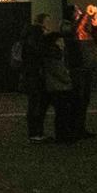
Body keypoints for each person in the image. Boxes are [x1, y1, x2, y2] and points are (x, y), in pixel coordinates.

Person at [61, 2, 97, 140]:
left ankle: (80, 128)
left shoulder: (83, 27)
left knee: (84, 99)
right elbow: (74, 31)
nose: (79, 14)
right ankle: (73, 128)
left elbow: (96, 40)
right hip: (77, 67)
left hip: (87, 66)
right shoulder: (66, 26)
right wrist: (86, 14)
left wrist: (95, 22)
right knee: (77, 99)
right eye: (77, 12)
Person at [17, 13, 51, 142]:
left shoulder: (29, 34)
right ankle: (35, 133)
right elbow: (37, 52)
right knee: (36, 103)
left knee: (34, 103)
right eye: (47, 21)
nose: (48, 24)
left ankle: (35, 132)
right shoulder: (37, 34)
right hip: (34, 73)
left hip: (30, 73)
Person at [40, 30, 75, 142]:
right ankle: (62, 135)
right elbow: (58, 71)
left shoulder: (52, 53)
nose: (63, 42)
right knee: (62, 112)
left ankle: (62, 134)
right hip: (59, 87)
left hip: (56, 86)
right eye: (60, 40)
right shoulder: (54, 54)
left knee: (62, 112)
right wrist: (68, 79)